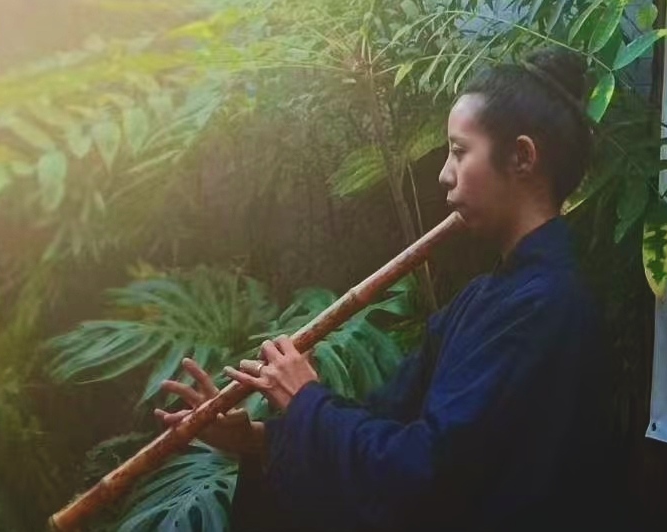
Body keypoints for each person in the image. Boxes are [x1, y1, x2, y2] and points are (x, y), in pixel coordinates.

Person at [154, 46, 608, 531]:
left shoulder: (545, 307)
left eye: (459, 152)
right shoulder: (492, 296)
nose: (444, 174)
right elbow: (390, 422)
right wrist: (261, 439)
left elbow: (424, 475)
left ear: (521, 157)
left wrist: (307, 401)